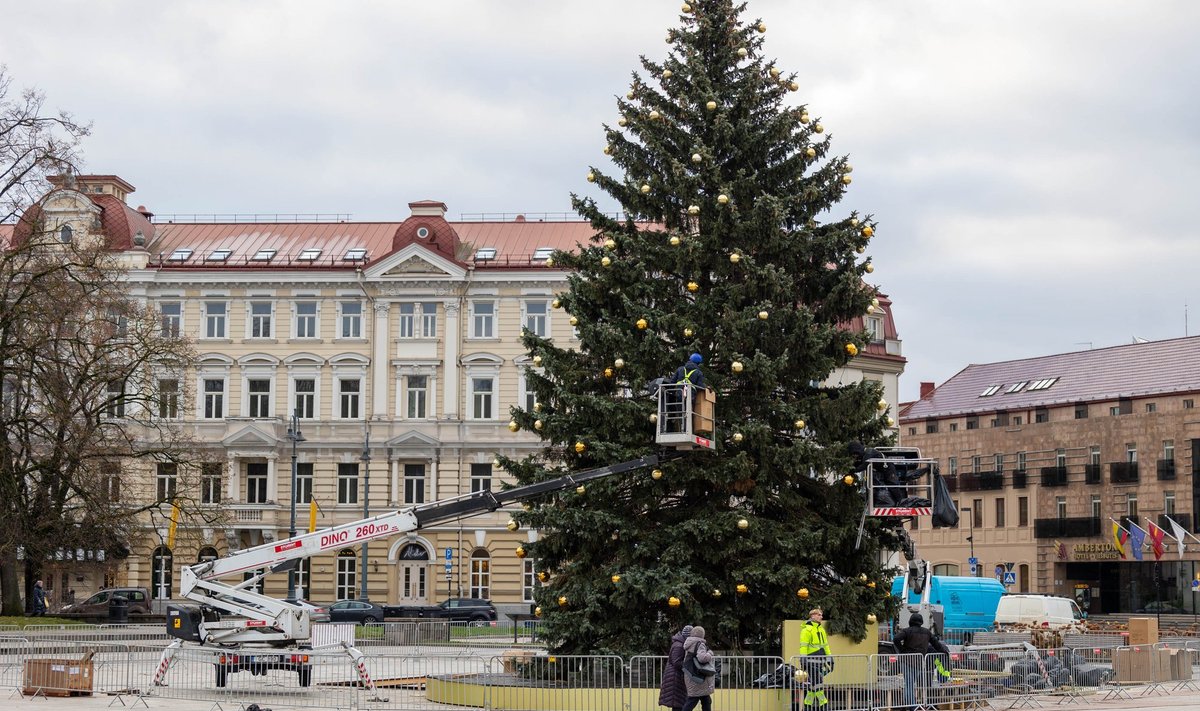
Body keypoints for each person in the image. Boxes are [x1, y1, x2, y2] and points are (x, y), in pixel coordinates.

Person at [892, 613, 933, 708]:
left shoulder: (907, 631)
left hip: (906, 660)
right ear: (921, 622)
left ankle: (911, 706)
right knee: (911, 683)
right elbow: (936, 643)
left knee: (909, 684)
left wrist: (902, 650)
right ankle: (911, 704)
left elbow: (896, 639)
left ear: (910, 621)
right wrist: (944, 651)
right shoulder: (927, 632)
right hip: (918, 661)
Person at [799, 608, 832, 708]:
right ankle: (824, 704)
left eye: (821, 615)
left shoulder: (821, 629)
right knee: (818, 684)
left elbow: (825, 645)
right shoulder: (806, 630)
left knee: (813, 686)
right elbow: (803, 646)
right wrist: (803, 659)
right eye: (819, 615)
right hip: (810, 661)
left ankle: (808, 705)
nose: (821, 617)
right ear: (812, 616)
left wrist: (830, 658)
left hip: (819, 661)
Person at [659, 624, 693, 711]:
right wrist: (689, 664)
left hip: (676, 677)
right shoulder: (679, 645)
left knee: (679, 703)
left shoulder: (680, 644)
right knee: (678, 704)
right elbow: (676, 662)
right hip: (675, 678)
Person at [681, 625, 716, 711]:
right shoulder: (700, 644)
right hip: (698, 677)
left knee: (706, 700)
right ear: (702, 635)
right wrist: (710, 654)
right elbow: (702, 658)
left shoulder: (688, 643)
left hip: (690, 674)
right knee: (693, 700)